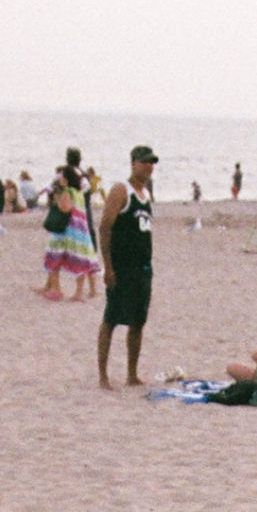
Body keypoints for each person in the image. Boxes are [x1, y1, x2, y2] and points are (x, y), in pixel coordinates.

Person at [98, 143, 156, 389]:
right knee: (111, 318)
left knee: (138, 321)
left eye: (151, 163)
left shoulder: (147, 193)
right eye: (144, 162)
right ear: (133, 162)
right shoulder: (121, 190)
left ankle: (132, 373)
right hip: (122, 266)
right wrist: (108, 267)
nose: (148, 167)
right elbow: (105, 227)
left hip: (143, 267)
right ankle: (103, 375)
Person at [37, 158, 99, 301]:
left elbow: (65, 208)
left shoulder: (67, 191)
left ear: (66, 179)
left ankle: (56, 289)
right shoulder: (79, 193)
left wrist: (56, 200)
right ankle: (79, 292)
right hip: (81, 231)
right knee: (80, 261)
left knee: (54, 256)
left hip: (67, 231)